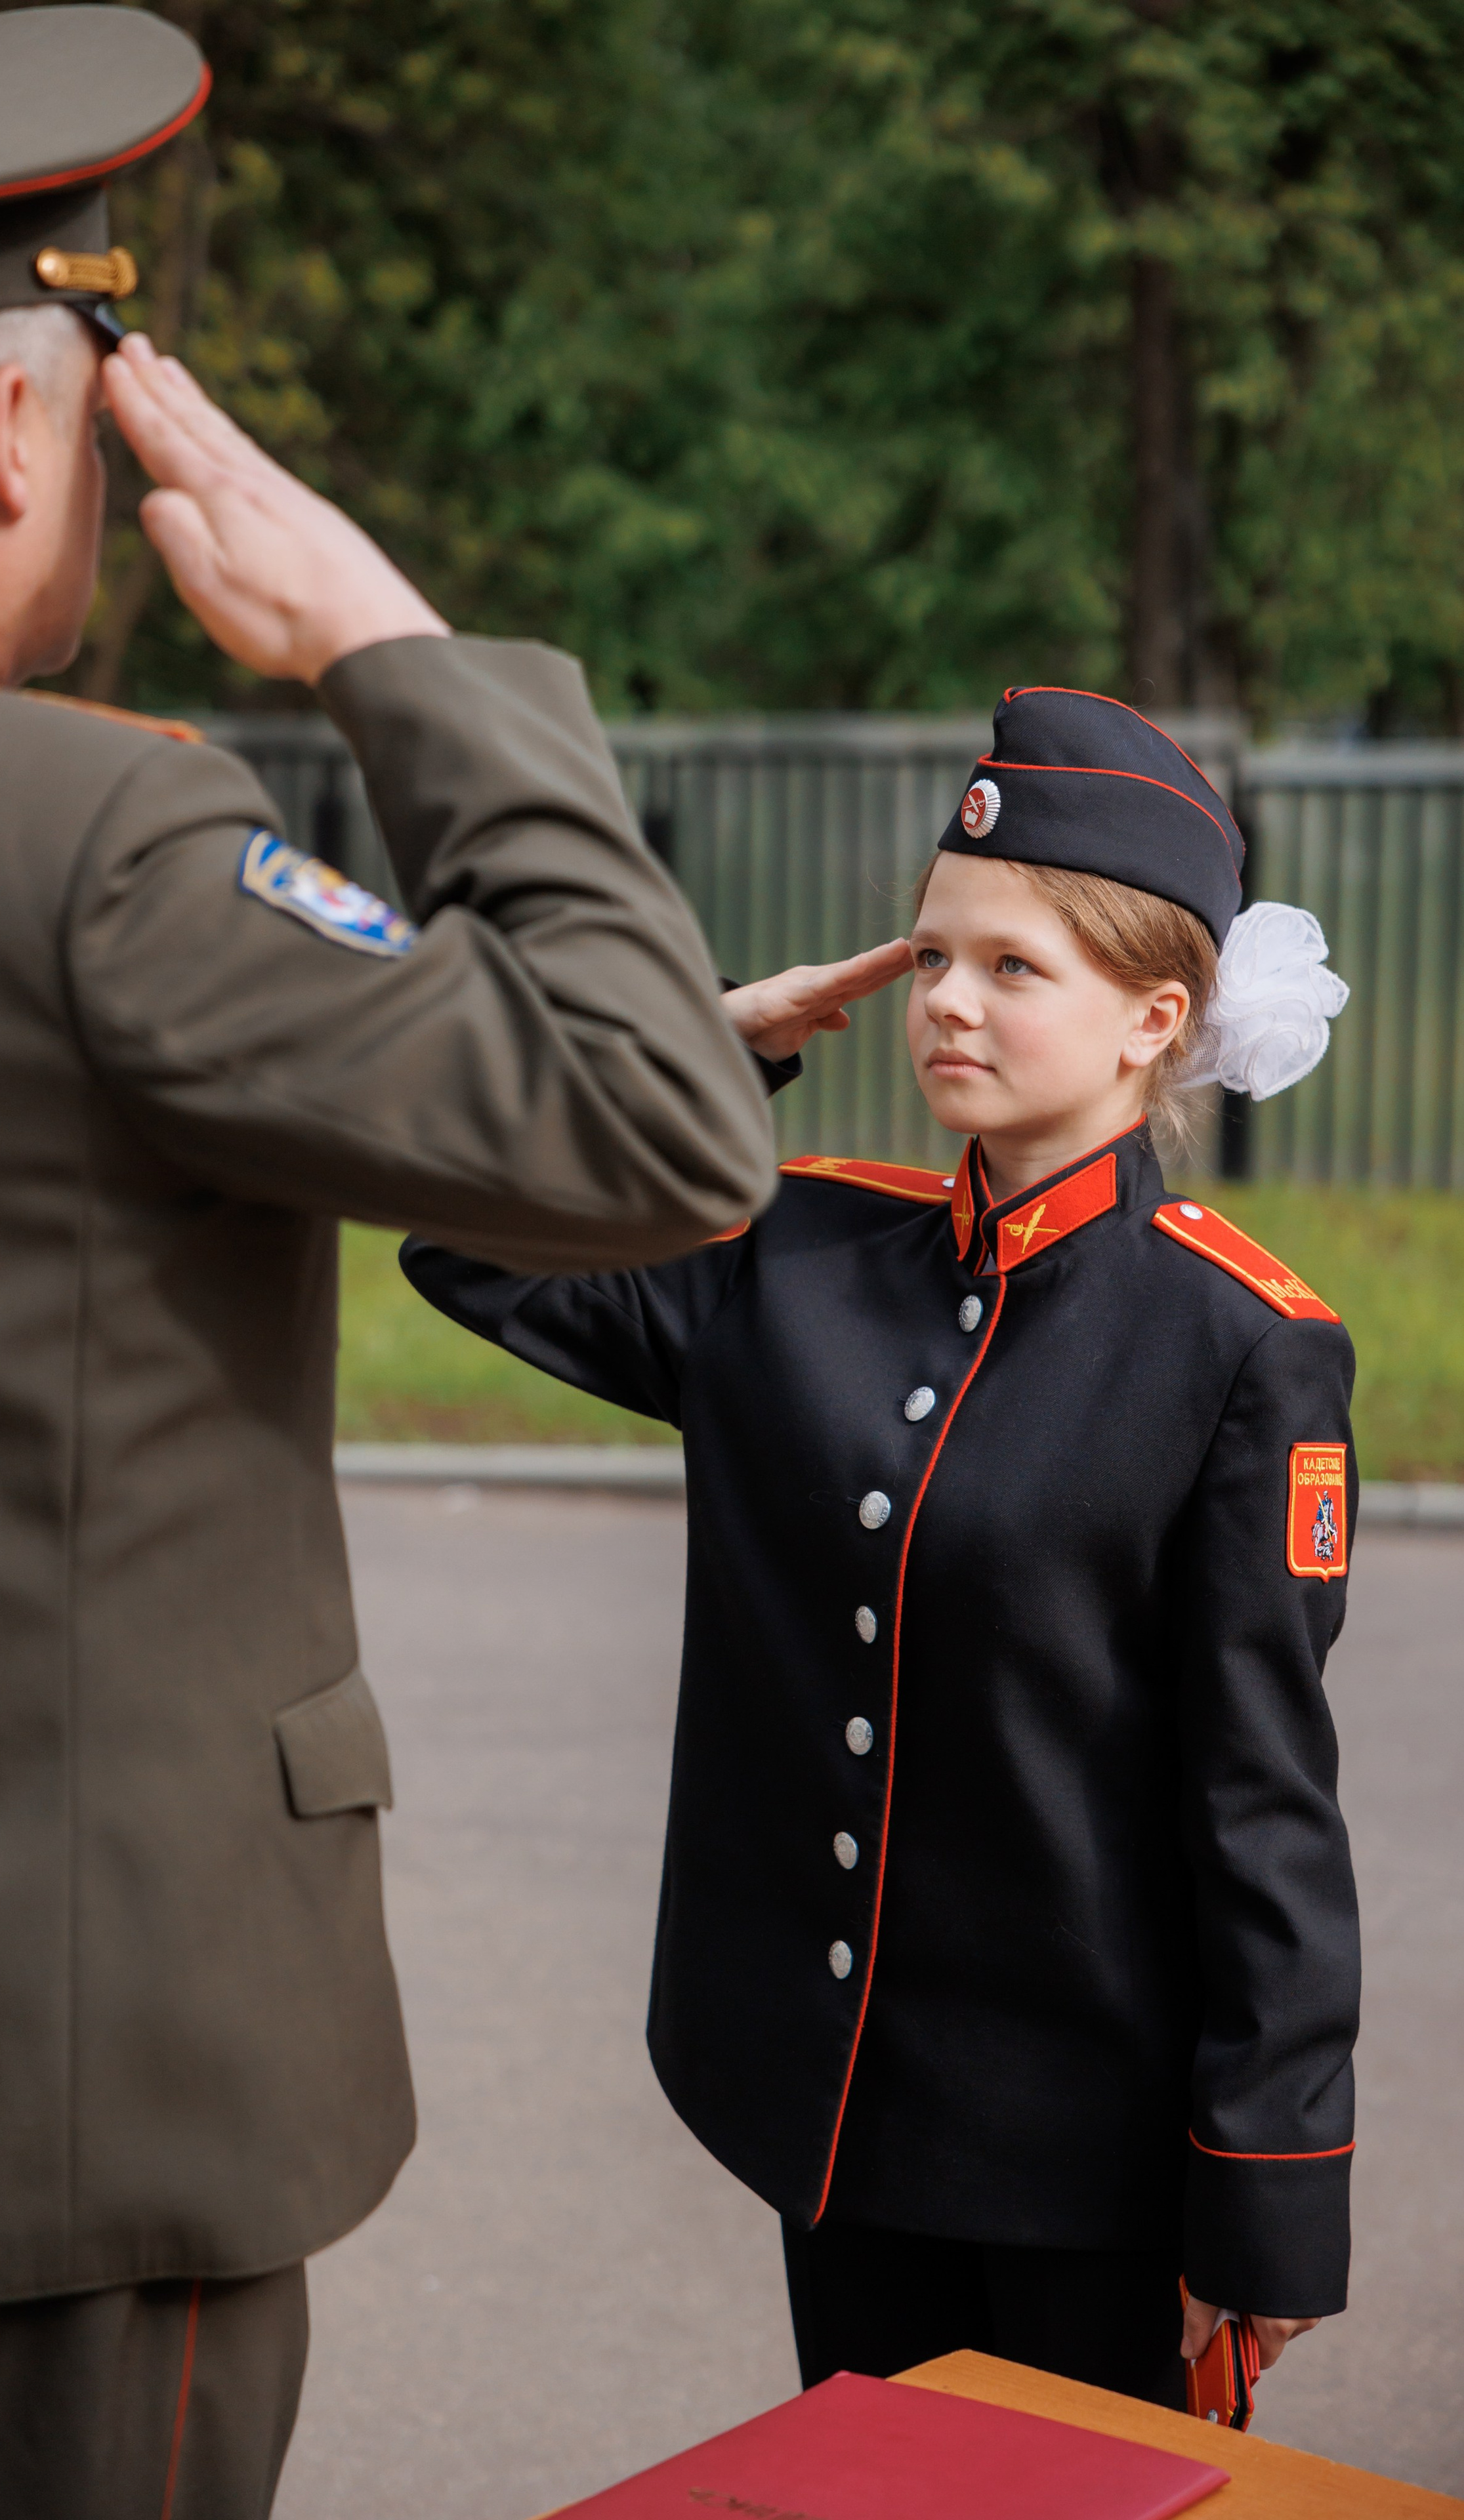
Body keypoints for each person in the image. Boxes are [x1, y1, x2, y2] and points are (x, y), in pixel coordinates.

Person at [0, 12, 780, 2513]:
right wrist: (386, 645)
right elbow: (659, 1115)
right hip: (53, 2129)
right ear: (28, 433)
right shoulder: (97, 841)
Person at [403, 687, 1360, 2412]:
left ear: (1157, 1017)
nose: (948, 1003)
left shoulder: (1233, 1343)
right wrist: (707, 1051)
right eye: (933, 957)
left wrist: (1267, 2193)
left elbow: (1259, 1797)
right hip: (834, 2115)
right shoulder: (802, 1252)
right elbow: (469, 1238)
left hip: (1092, 2162)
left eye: (1013, 967)